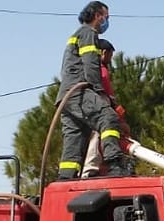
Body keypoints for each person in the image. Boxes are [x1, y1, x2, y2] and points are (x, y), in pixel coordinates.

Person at [55, 1, 129, 179]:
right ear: (98, 15)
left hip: (66, 97)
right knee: (108, 117)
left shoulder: (76, 35)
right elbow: (90, 64)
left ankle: (66, 177)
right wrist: (99, 91)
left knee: (75, 136)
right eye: (106, 17)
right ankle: (114, 163)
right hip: (79, 92)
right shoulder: (89, 33)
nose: (107, 21)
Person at [81, 38, 134, 178]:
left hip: (91, 107)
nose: (111, 59)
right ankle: (90, 170)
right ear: (104, 53)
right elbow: (108, 96)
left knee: (97, 136)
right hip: (100, 107)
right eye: (110, 55)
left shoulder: (90, 69)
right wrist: (120, 119)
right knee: (98, 135)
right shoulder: (101, 70)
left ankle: (92, 168)